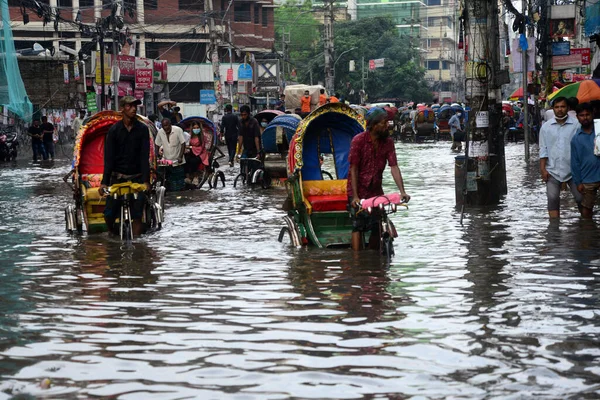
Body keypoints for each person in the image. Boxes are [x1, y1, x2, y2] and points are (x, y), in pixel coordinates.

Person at [348, 107, 411, 251]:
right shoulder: (359, 141)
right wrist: (355, 196)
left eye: (387, 122)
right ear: (373, 125)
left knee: (377, 224)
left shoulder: (388, 142)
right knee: (358, 224)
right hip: (357, 189)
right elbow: (354, 169)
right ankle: (357, 262)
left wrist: (402, 191)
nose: (386, 126)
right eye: (383, 123)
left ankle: (374, 257)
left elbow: (394, 166)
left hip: (376, 189)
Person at [99, 96, 150, 238]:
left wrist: (146, 181)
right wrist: (104, 182)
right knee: (109, 213)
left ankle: (136, 246)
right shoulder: (114, 131)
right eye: (130, 106)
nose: (134, 109)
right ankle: (113, 233)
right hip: (117, 178)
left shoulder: (142, 129)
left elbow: (144, 157)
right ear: (122, 109)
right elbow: (108, 159)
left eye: (135, 106)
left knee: (138, 214)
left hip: (137, 178)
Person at [539, 96, 582, 219]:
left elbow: (580, 147)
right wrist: (543, 169)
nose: (560, 110)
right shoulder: (546, 127)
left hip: (573, 169)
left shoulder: (576, 125)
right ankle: (554, 231)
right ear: (553, 109)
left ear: (568, 108)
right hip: (552, 169)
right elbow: (543, 149)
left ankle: (585, 225)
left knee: (580, 198)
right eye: (557, 107)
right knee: (552, 198)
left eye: (562, 107)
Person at [570, 103, 600, 219]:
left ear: (592, 115)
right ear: (577, 117)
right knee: (586, 209)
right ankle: (587, 232)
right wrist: (578, 182)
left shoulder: (598, 132)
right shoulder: (576, 139)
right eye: (582, 115)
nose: (585, 117)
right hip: (587, 179)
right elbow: (575, 162)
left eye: (587, 114)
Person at [184, 121, 210, 186]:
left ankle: (196, 177)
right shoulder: (189, 136)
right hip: (191, 152)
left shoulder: (202, 136)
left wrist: (190, 147)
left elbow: (201, 148)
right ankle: (188, 177)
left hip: (201, 153)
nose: (196, 129)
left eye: (197, 128)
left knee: (194, 161)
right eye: (194, 128)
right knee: (186, 159)